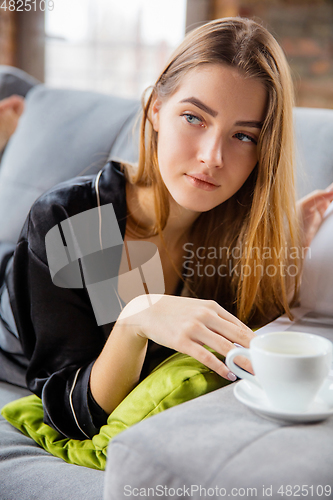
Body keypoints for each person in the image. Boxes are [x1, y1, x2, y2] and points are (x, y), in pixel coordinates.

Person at [1, 17, 333, 440]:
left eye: (244, 136)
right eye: (194, 118)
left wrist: (285, 248)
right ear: (155, 109)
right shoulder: (70, 219)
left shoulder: (232, 229)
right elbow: (69, 413)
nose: (213, 156)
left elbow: (245, 332)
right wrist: (136, 318)